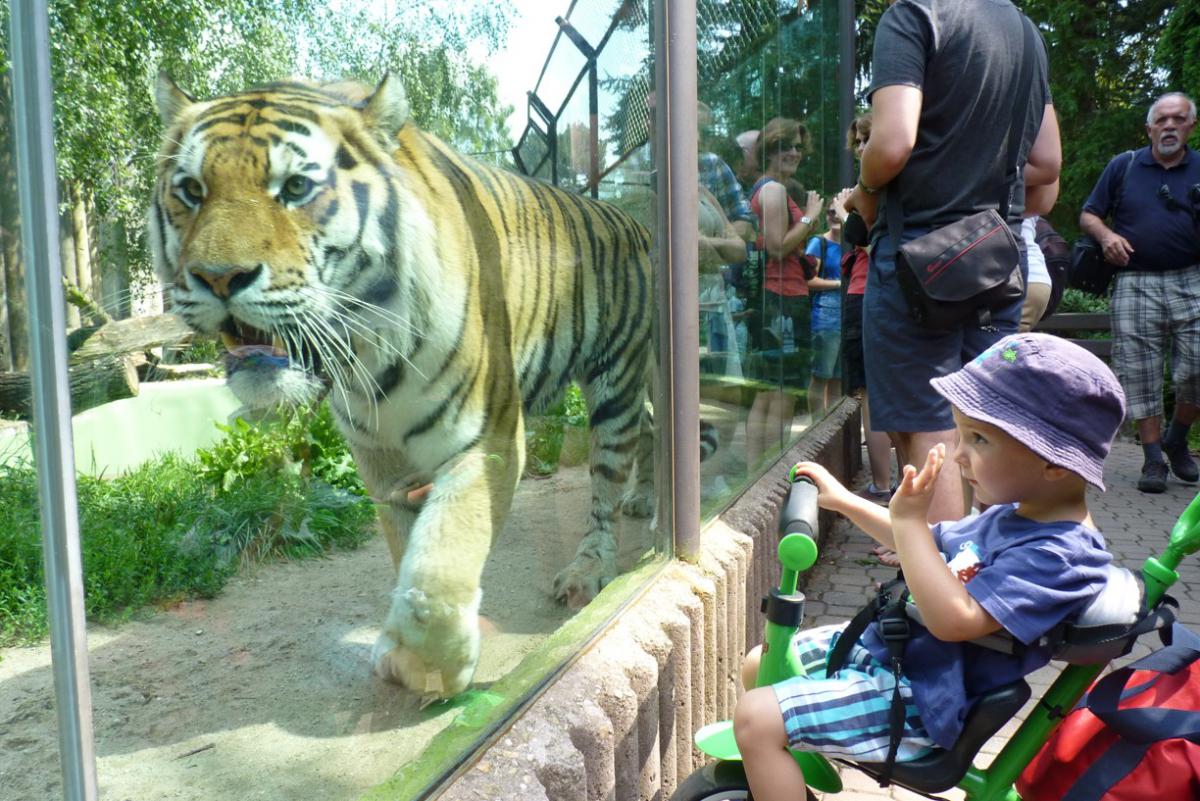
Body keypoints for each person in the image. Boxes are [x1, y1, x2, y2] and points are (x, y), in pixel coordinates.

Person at [733, 333, 1126, 801]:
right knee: (761, 663)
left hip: (927, 698)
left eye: (978, 439)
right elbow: (926, 540)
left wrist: (909, 523)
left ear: (1053, 462)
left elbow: (954, 620)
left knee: (757, 720)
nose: (958, 454)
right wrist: (845, 502)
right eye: (961, 434)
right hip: (897, 654)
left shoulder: (1059, 556)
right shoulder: (1015, 514)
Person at [844, 0, 1061, 524]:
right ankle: (990, 566)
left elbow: (892, 143)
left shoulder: (915, 15)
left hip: (918, 261)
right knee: (984, 425)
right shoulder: (1025, 34)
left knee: (927, 428)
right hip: (995, 260)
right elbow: (1047, 167)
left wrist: (863, 192)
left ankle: (940, 574)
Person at [1079, 91, 1200, 494]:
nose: (1169, 126)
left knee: (1197, 367)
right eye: (1161, 120)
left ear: (1191, 126)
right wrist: (1107, 236)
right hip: (1134, 280)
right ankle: (1152, 458)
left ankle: (1176, 439)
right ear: (1149, 128)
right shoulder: (1124, 165)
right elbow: (1089, 214)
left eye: (1178, 119)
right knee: (1139, 371)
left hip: (1192, 278)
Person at [745, 118, 824, 468]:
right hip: (783, 301)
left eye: (797, 147)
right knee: (784, 392)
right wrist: (809, 217)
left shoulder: (769, 188)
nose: (794, 152)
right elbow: (777, 247)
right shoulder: (774, 190)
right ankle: (774, 473)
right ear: (770, 150)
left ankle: (757, 473)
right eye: (785, 146)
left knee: (768, 391)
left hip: (776, 299)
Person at [840, 113, 895, 506]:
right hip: (876, 294)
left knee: (872, 394)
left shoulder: (876, 184)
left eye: (868, 139)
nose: (862, 148)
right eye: (858, 141)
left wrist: (848, 212)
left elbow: (875, 243)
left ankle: (881, 484)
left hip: (868, 293)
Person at [805, 207, 844, 417]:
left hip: (846, 315)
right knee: (821, 375)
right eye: (831, 211)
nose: (835, 215)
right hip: (826, 315)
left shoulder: (853, 244)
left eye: (840, 211)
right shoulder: (818, 242)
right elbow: (808, 280)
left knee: (838, 379)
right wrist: (839, 284)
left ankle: (833, 429)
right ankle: (818, 426)